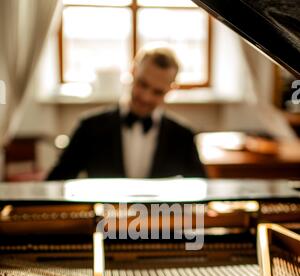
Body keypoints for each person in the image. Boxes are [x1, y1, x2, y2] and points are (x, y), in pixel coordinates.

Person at [47, 46, 206, 180]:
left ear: (171, 90)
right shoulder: (89, 127)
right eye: (142, 84)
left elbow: (203, 192)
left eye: (157, 92)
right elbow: (55, 183)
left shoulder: (183, 136)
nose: (146, 97)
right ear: (132, 71)